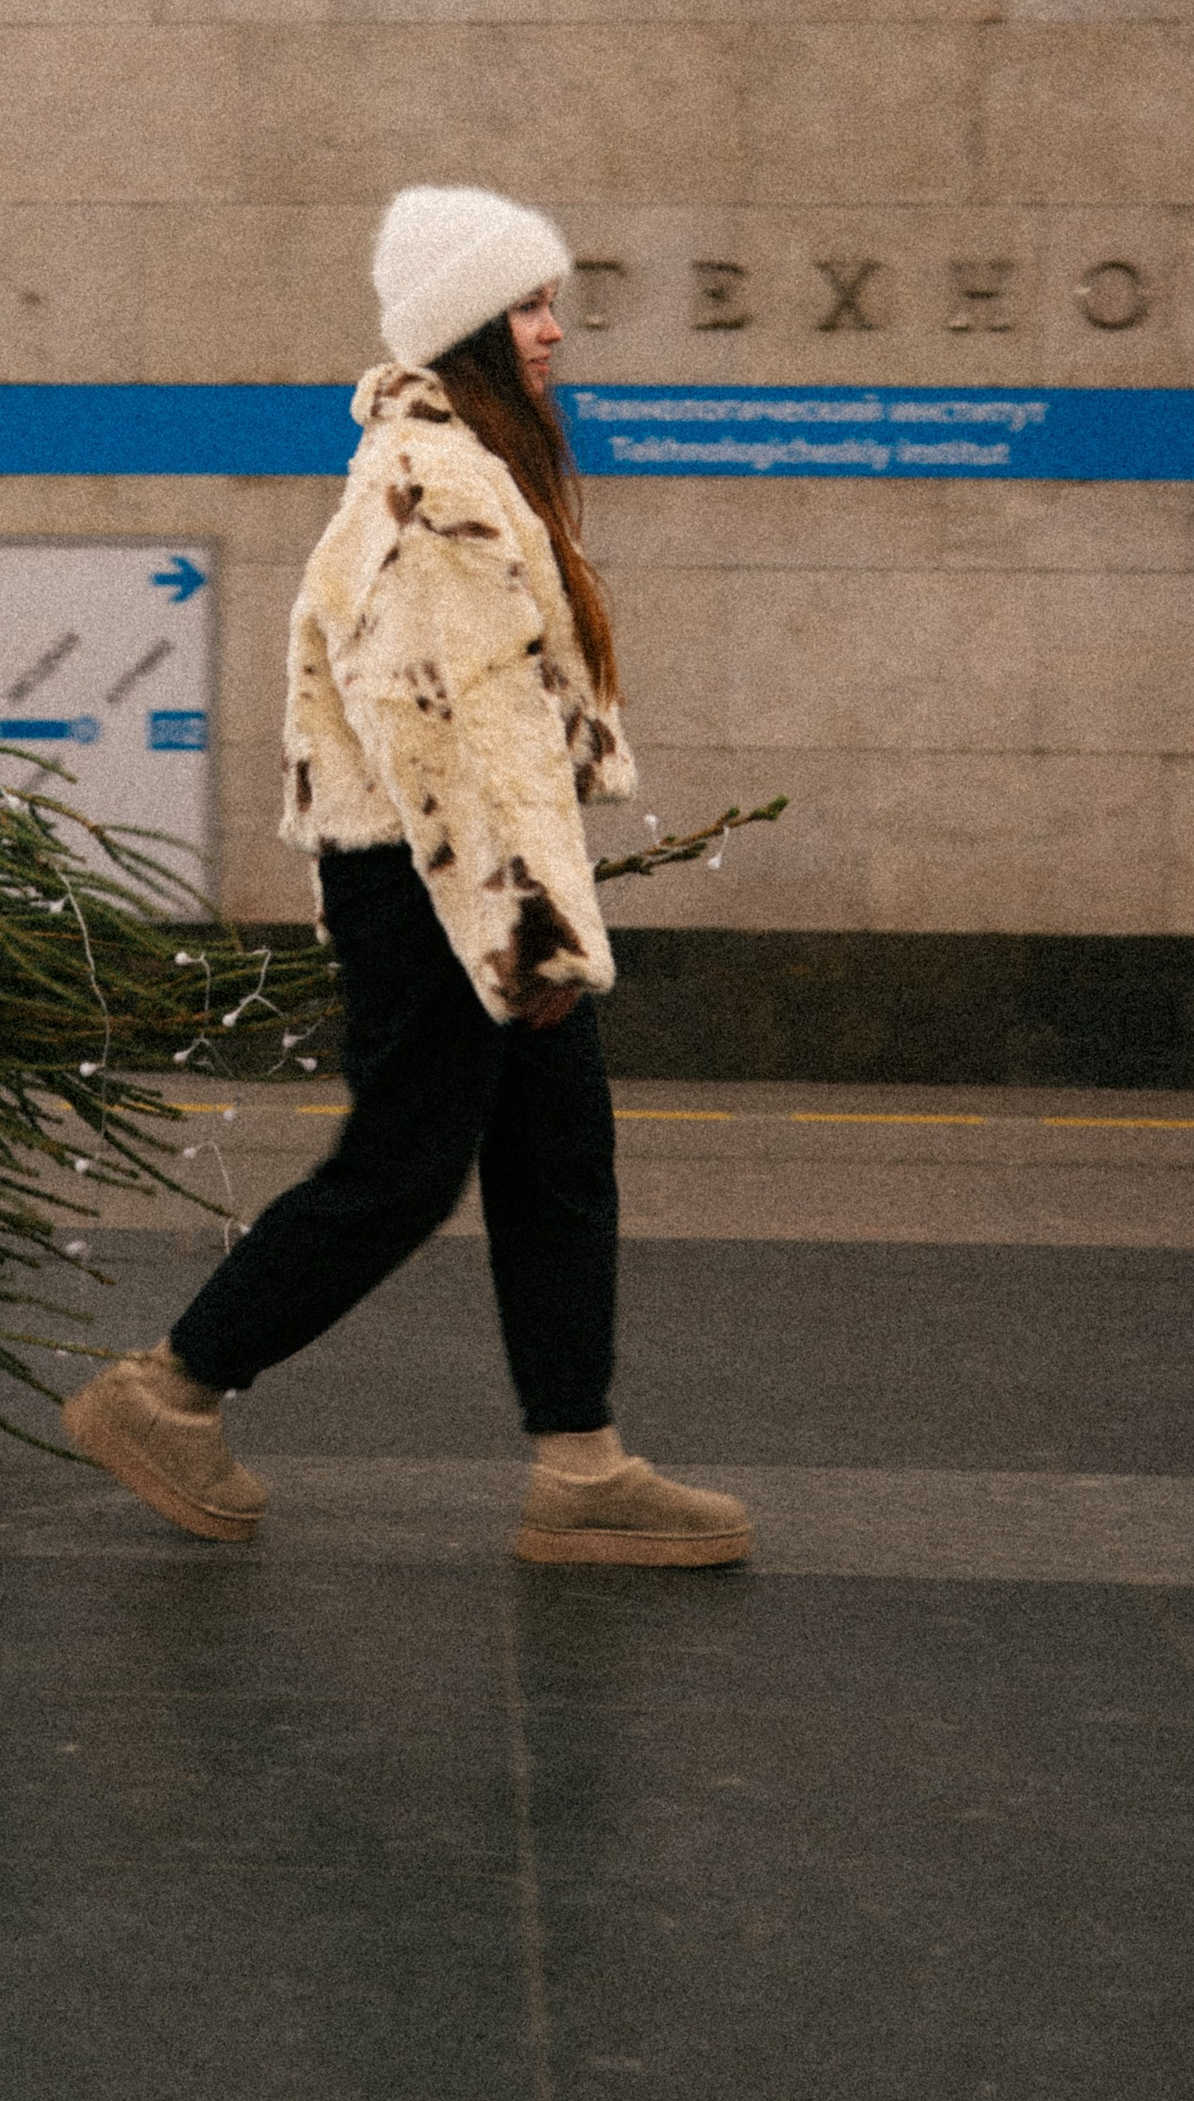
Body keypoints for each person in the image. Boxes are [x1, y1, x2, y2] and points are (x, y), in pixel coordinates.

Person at [65, 182, 751, 1569]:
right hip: (449, 888)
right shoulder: (435, 486)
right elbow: (455, 739)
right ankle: (173, 1391)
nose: (556, 332)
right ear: (470, 331)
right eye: (531, 308)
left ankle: (581, 1465)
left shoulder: (458, 465)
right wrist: (532, 940)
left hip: (464, 880)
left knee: (557, 1163)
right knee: (400, 1170)